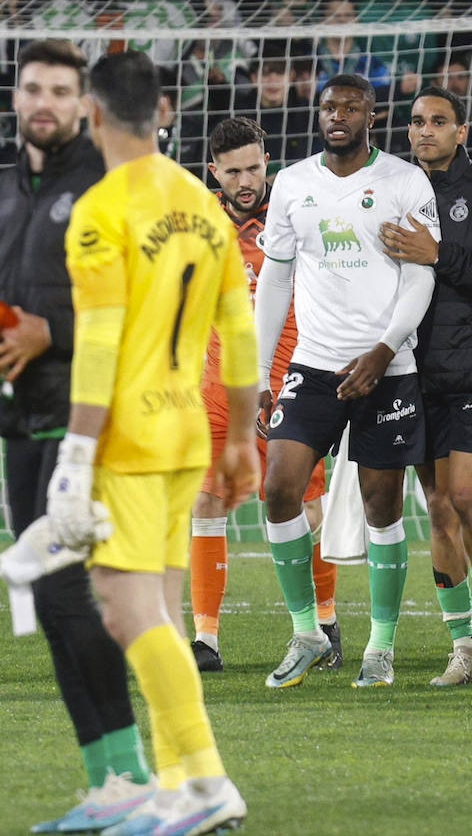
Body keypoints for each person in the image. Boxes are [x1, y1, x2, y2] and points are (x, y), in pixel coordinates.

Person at [50, 50, 255, 831]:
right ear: (163, 112)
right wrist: (241, 438)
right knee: (163, 614)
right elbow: (240, 330)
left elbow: (100, 346)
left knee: (128, 614)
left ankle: (207, 781)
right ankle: (175, 785)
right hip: (188, 431)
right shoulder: (203, 204)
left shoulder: (101, 210)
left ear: (91, 114)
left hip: (130, 441)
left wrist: (75, 455)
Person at [0, 40, 158, 834]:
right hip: (20, 421)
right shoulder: (5, 190)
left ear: (84, 105)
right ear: (17, 96)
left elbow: (140, 304)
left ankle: (134, 776)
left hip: (89, 423)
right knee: (52, 599)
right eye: (33, 88)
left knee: (71, 594)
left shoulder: (107, 185)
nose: (45, 103)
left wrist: (48, 332)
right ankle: (107, 782)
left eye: (60, 91)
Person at [255, 73, 439, 690]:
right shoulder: (292, 183)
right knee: (279, 489)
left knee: (382, 507)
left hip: (388, 367)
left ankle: (380, 647)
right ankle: (307, 631)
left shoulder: (404, 182)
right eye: (329, 107)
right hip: (313, 365)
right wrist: (261, 372)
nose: (338, 116)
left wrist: (385, 350)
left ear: (371, 117)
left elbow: (421, 274)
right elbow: (275, 280)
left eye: (351, 108)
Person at [382, 86, 472, 686]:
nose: (426, 130)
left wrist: (438, 253)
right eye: (417, 121)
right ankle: (462, 645)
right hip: (414, 368)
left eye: (439, 121)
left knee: (467, 496)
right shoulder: (394, 191)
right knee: (438, 506)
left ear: (461, 131)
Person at [188, 118, 336, 675]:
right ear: (214, 172)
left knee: (306, 506)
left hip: (290, 386)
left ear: (267, 162)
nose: (245, 181)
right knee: (207, 502)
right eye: (233, 172)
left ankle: (324, 621)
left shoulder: (296, 209)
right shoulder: (197, 221)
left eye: (253, 168)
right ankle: (205, 639)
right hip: (219, 389)